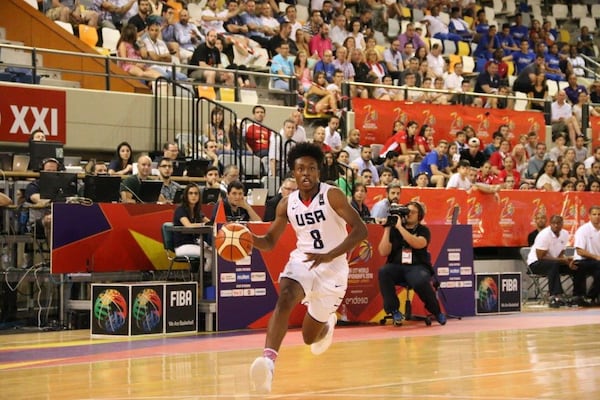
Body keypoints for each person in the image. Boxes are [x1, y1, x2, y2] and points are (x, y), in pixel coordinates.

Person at [249, 142, 368, 393]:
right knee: (285, 297)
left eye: (311, 168)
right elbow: (269, 241)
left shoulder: (332, 195)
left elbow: (361, 230)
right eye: (301, 168)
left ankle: (327, 324)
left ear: (318, 171)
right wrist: (249, 239)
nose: (306, 173)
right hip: (303, 260)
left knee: (308, 338)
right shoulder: (286, 204)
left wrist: (330, 254)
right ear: (293, 172)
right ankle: (268, 363)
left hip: (333, 267)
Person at [378, 201, 446, 326]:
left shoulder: (423, 230)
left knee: (419, 280)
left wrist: (400, 228)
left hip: (417, 267)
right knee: (384, 271)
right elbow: (383, 252)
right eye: (407, 211)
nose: (408, 214)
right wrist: (387, 229)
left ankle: (436, 312)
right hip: (397, 266)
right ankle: (394, 310)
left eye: (412, 212)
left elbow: (418, 244)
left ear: (419, 215)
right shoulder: (394, 229)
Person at [526, 215, 573, 307]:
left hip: (553, 262)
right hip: (535, 264)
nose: (556, 225)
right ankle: (555, 296)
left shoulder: (565, 234)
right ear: (550, 224)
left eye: (558, 223)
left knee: (577, 265)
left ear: (562, 224)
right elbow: (540, 257)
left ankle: (578, 295)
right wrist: (561, 260)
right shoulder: (544, 235)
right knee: (553, 265)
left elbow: (561, 253)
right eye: (553, 223)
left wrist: (568, 261)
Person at [172, 183, 211, 273]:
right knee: (210, 255)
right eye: (190, 193)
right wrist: (203, 224)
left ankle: (204, 275)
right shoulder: (180, 210)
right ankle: (205, 277)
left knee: (215, 251)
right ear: (186, 196)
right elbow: (188, 225)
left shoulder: (197, 211)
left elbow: (209, 222)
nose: (193, 196)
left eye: (196, 193)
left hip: (195, 243)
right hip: (182, 246)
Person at [571, 205, 600, 306]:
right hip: (582, 260)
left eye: (599, 214)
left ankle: (591, 296)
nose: (597, 216)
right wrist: (596, 257)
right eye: (594, 214)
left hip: (596, 262)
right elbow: (579, 251)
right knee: (582, 267)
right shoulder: (583, 230)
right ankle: (580, 296)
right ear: (589, 216)